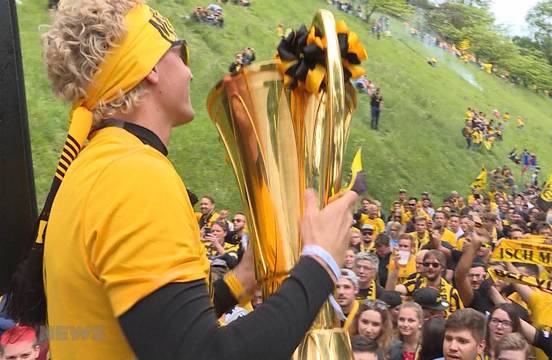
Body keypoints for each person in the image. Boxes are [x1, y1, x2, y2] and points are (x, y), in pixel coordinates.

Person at [35, 2, 361, 358]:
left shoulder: (93, 168)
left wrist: (240, 280)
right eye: (181, 52)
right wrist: (320, 263)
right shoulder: (135, 177)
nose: (190, 73)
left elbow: (153, 329)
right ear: (151, 69)